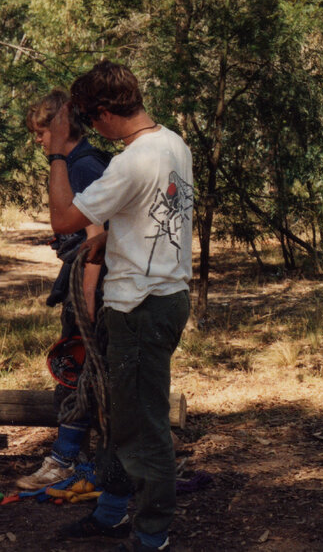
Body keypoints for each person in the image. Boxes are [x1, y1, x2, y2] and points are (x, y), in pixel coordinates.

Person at [46, 60, 193, 552]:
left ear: (105, 113)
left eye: (89, 122)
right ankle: (111, 511)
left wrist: (61, 154)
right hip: (161, 299)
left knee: (144, 426)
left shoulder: (132, 160)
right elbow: (154, 212)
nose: (93, 132)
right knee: (121, 415)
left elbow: (64, 217)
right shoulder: (172, 143)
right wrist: (110, 236)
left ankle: (152, 535)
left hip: (141, 307)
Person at [16, 88, 109, 492]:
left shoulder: (84, 165)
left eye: (41, 131)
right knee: (80, 368)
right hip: (80, 280)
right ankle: (84, 456)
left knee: (77, 369)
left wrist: (86, 296)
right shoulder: (75, 163)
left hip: (92, 285)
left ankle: (67, 458)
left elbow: (98, 236)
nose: (38, 141)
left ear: (61, 126)